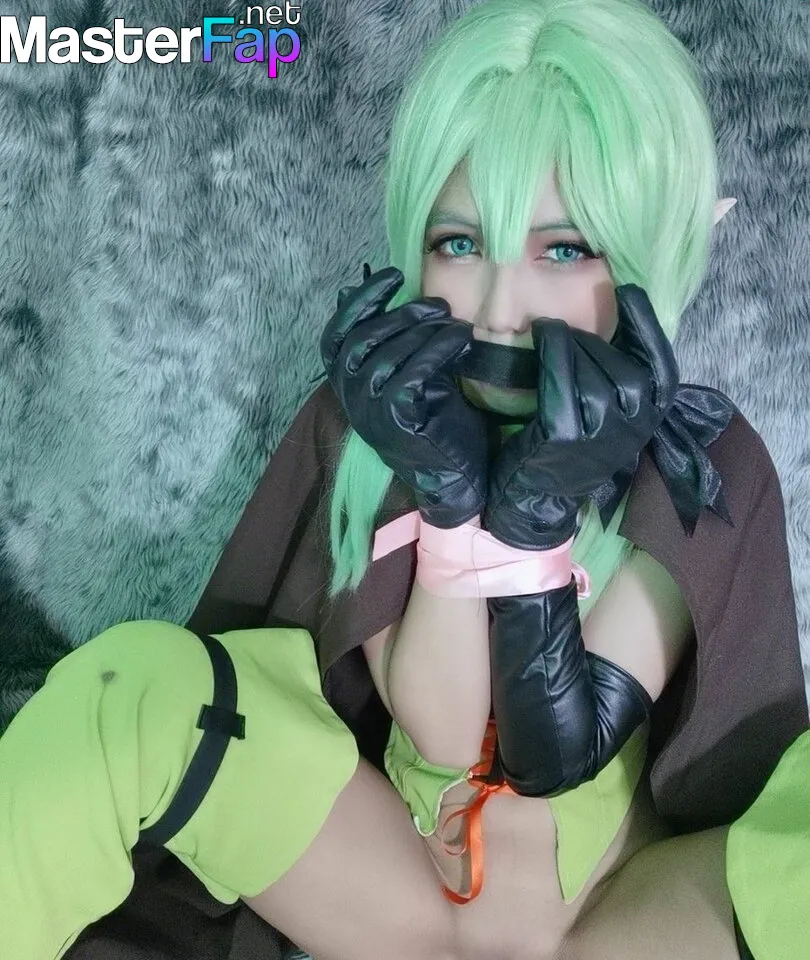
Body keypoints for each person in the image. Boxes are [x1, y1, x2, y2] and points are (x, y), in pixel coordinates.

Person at [3, 0, 805, 958]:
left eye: (564, 249)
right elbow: (444, 731)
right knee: (132, 689)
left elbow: (558, 753)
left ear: (651, 246)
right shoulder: (385, 424)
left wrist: (534, 525)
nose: (500, 308)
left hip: (622, 922)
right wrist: (452, 502)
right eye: (460, 243)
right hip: (394, 895)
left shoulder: (697, 459)